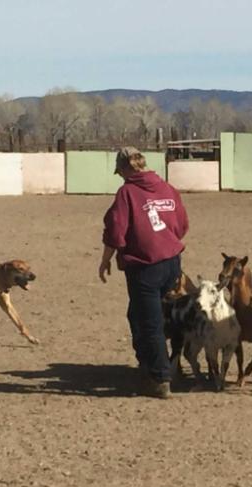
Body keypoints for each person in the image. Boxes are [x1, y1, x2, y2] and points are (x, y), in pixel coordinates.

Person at [99, 147, 189, 399]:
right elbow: (182, 224)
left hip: (145, 266)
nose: (121, 177)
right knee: (141, 313)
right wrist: (165, 242)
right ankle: (153, 363)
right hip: (172, 262)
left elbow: (116, 230)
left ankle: (159, 378)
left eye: (121, 172)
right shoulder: (167, 188)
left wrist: (105, 260)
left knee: (151, 323)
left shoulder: (127, 192)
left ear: (126, 168)